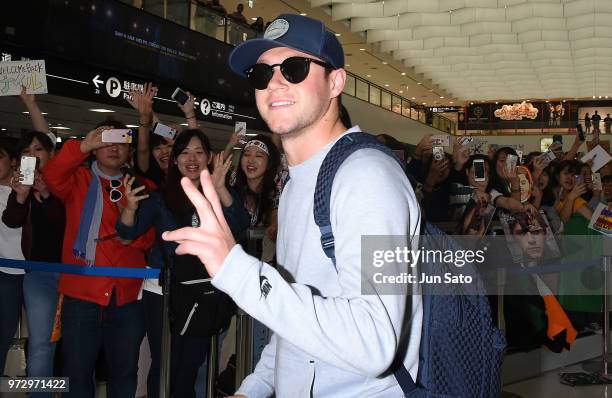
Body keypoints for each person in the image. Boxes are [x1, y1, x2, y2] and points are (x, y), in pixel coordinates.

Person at [162, 14, 422, 397]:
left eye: (295, 68)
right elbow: (296, 322)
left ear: (336, 81)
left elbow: (375, 341)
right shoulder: (298, 183)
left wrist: (234, 267)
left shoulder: (368, 178)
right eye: (261, 74)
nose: (275, 83)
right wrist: (255, 387)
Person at [116, 130, 249, 398]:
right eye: (185, 152)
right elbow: (128, 233)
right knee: (166, 362)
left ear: (209, 158)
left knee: (191, 363)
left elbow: (240, 223)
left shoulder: (217, 194)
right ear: (175, 160)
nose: (192, 158)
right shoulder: (161, 197)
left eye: (199, 152)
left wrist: (221, 188)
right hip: (163, 293)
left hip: (203, 292)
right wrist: (129, 209)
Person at [42, 122, 156, 398]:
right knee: (77, 373)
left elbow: (152, 234)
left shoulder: (144, 187)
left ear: (130, 149)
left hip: (127, 296)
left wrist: (132, 238)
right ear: (94, 148)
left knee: (125, 373)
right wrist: (82, 146)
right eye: (105, 141)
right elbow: (52, 174)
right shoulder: (77, 180)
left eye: (120, 141)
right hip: (82, 295)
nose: (113, 148)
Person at [2, 132, 64, 395]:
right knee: (41, 344)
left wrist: (47, 193)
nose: (33, 155)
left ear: (51, 154)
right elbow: (12, 220)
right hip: (39, 274)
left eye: (39, 149)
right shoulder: (21, 187)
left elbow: (63, 223)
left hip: (76, 273)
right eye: (27, 150)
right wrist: (21, 195)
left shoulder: (68, 183)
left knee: (78, 345)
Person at [0, 139, 24, 376]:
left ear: (13, 162)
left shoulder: (32, 189)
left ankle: (45, 388)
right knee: (3, 333)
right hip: (5, 273)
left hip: (37, 272)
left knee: (43, 340)